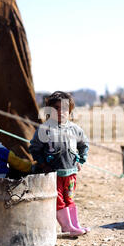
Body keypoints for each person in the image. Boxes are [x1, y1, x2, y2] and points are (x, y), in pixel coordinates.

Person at [30, 91, 90, 236]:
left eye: (64, 108)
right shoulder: (44, 129)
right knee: (58, 200)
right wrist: (43, 164)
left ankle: (75, 225)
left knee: (69, 198)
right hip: (53, 174)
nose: (60, 111)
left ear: (69, 110)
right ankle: (67, 226)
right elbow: (34, 148)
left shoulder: (75, 129)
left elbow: (84, 144)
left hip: (70, 173)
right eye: (56, 108)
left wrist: (80, 159)